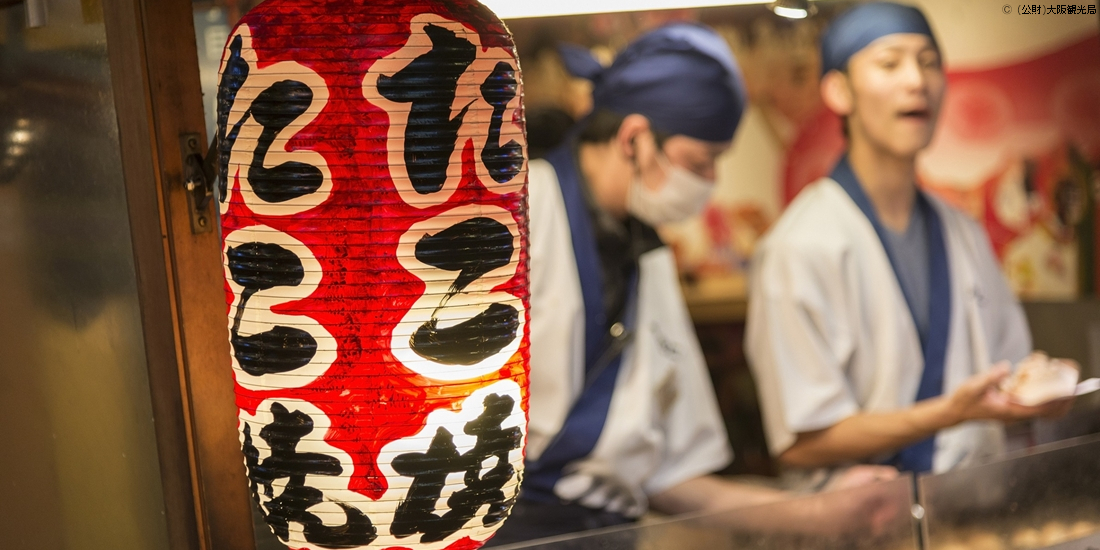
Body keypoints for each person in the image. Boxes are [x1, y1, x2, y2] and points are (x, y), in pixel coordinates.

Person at [487, 23, 895, 546]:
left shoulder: (648, 255)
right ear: (634, 138)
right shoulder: (519, 209)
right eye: (699, 163)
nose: (708, 182)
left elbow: (672, 479)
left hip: (607, 535)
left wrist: (819, 511)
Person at [745, 2, 1072, 478]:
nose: (917, 81)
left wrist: (1041, 387)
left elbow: (1011, 367)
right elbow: (799, 441)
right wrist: (951, 413)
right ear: (839, 91)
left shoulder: (964, 232)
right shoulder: (799, 246)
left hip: (978, 506)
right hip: (863, 521)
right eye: (889, 63)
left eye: (929, 62)